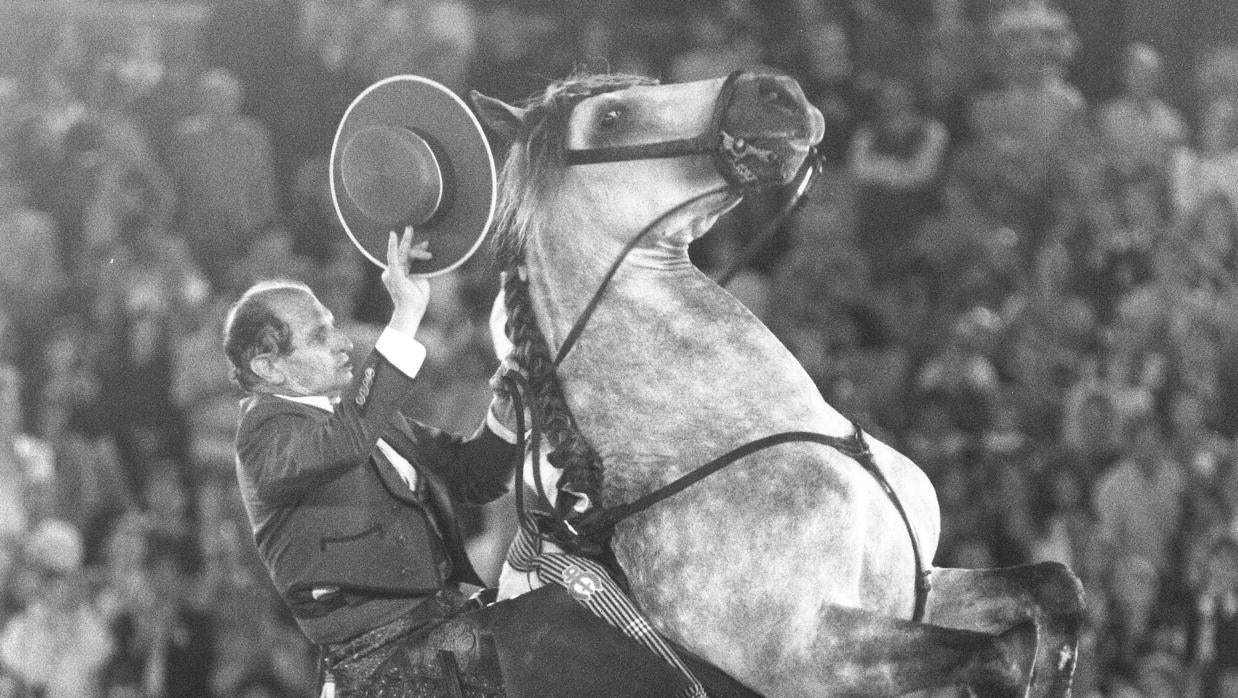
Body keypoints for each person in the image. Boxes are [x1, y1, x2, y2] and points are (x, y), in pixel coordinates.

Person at [224, 227, 520, 695]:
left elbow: (473, 476)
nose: (343, 342)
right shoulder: (262, 438)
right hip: (380, 670)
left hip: (451, 637)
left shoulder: (365, 418)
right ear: (268, 367)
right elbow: (344, 443)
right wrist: (405, 314)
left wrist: (513, 396)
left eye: (334, 325)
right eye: (320, 335)